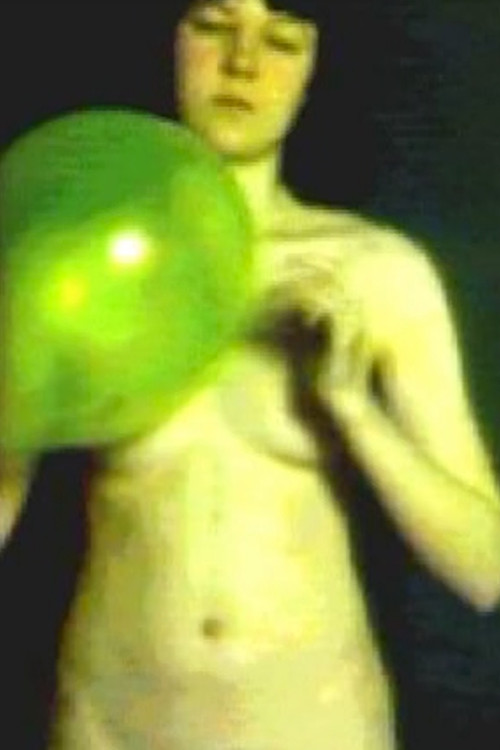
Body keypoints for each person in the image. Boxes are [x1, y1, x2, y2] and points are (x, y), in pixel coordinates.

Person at [2, 1, 500, 748]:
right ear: (173, 42)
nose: (243, 62)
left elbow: (485, 568)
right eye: (213, 26)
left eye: (282, 40)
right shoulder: (69, 259)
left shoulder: (374, 272)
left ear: (312, 67)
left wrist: (351, 409)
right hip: (110, 728)